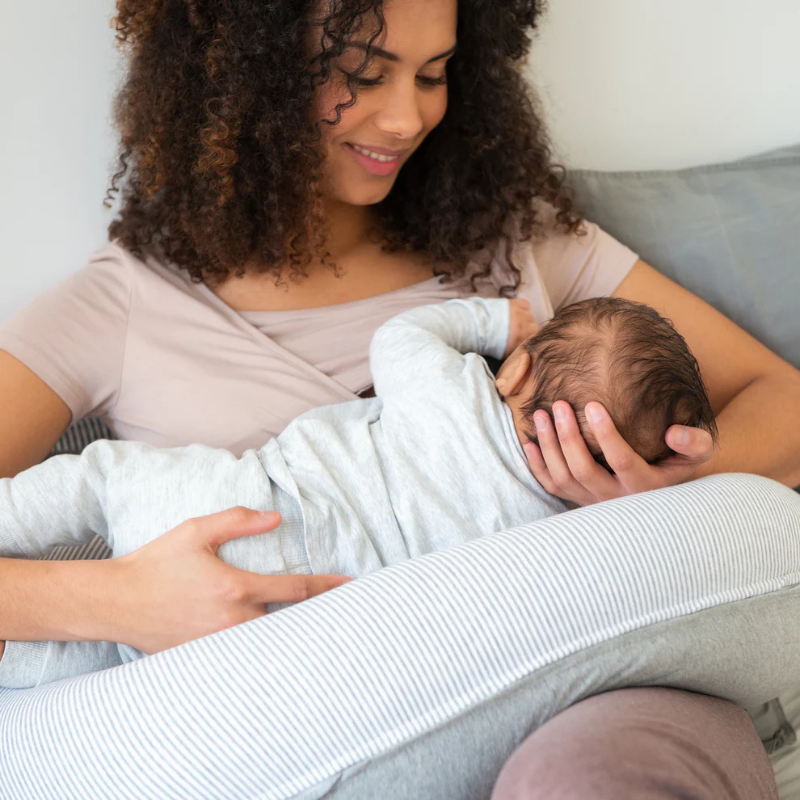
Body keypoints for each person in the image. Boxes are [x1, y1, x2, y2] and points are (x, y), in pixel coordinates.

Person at [1, 0, 797, 794]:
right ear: (247, 79)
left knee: (592, 774)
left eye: (434, 74)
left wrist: (658, 485)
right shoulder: (122, 306)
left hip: (588, 690)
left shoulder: (517, 238)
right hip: (296, 707)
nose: (406, 117)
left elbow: (784, 401)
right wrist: (117, 599)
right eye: (361, 76)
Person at [0, 293, 719, 688]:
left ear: (520, 370)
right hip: (293, 623)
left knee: (99, 477)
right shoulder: (547, 533)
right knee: (108, 661)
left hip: (243, 507)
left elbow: (399, 336)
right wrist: (639, 512)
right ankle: (19, 668)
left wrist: (492, 321)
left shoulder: (457, 391)